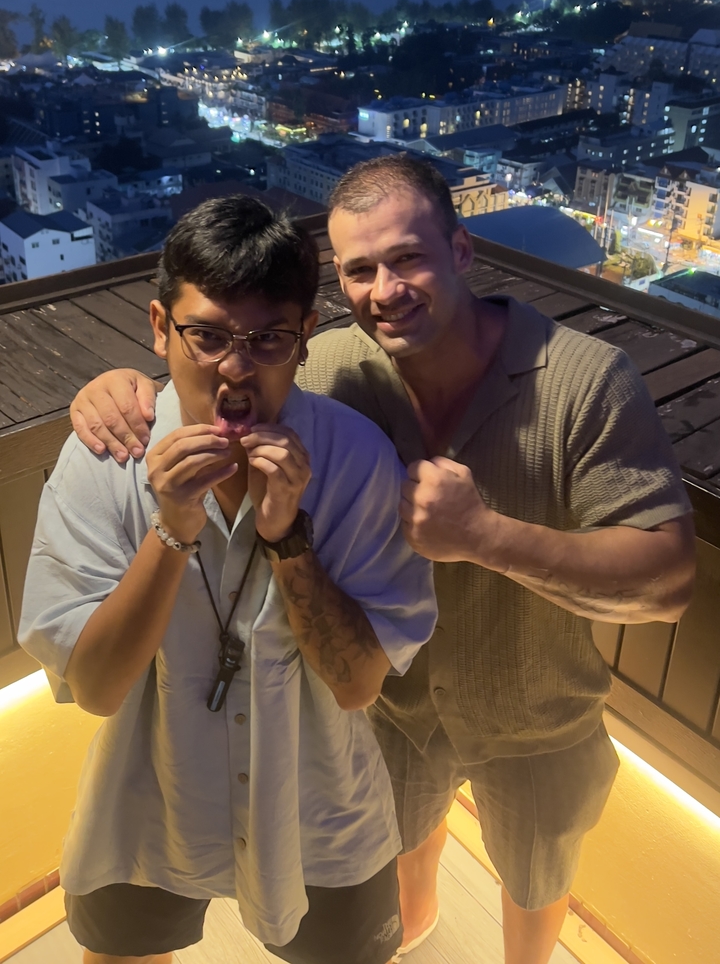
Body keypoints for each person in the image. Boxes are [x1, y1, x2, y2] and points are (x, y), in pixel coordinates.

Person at [69, 157, 696, 964]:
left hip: (536, 716)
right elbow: (230, 366)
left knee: (534, 891)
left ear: (462, 250)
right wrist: (123, 388)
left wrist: (485, 537)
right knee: (400, 899)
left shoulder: (585, 380)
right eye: (361, 269)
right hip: (391, 712)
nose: (385, 289)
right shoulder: (334, 370)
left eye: (408, 257)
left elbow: (670, 581)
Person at [20, 195, 437, 964]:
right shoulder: (105, 456)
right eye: (206, 336)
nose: (235, 368)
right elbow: (100, 690)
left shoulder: (356, 459)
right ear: (158, 326)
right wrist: (170, 529)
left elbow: (357, 687)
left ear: (306, 335)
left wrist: (290, 539)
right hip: (147, 792)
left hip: (319, 800)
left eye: (267, 338)